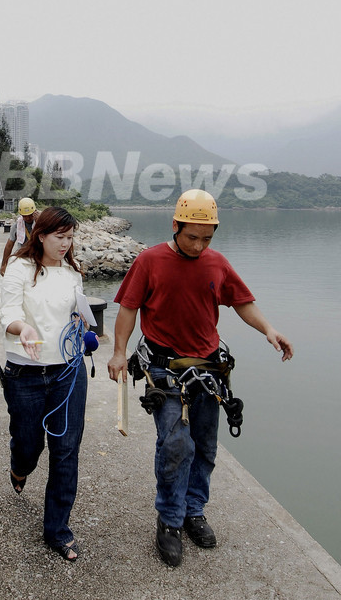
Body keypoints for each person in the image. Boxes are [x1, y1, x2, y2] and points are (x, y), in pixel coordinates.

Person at [107, 189, 294, 568]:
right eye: (191, 236)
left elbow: (242, 302)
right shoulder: (150, 261)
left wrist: (269, 331)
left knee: (205, 446)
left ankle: (194, 511)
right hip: (164, 368)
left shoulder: (216, 263)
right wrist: (117, 353)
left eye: (206, 238)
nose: (198, 245)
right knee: (176, 444)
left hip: (208, 370)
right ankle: (170, 520)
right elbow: (128, 309)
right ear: (175, 226)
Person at [0, 206, 87, 562]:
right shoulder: (19, 269)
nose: (65, 244)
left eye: (69, 237)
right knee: (28, 445)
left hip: (68, 371)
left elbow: (78, 312)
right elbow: (8, 313)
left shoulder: (72, 273)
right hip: (26, 373)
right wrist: (24, 329)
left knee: (66, 451)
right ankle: (19, 467)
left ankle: (58, 530)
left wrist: (84, 324)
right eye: (59, 237)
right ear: (41, 235)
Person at [0, 197, 39, 277]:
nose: (27, 218)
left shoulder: (42, 223)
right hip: (23, 257)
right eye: (24, 216)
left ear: (34, 212)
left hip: (39, 257)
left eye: (30, 215)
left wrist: (40, 221)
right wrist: (4, 264)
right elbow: (9, 245)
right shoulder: (17, 226)